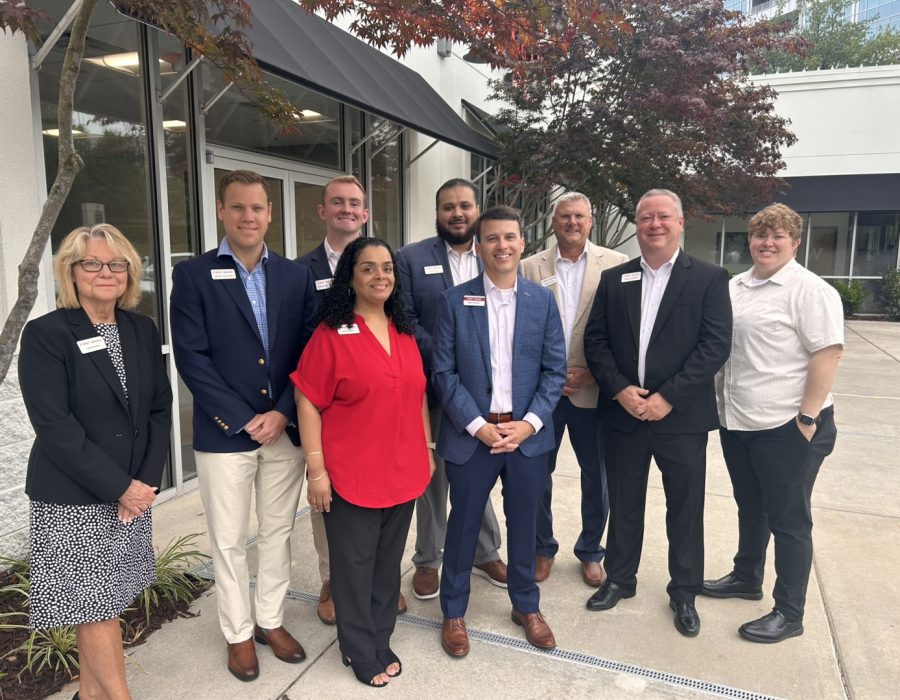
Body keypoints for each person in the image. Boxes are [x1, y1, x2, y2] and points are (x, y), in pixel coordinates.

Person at [170, 169, 317, 681]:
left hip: (284, 427)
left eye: (257, 207)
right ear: (221, 211)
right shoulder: (192, 276)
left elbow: (308, 352)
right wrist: (242, 419)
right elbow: (192, 358)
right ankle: (237, 633)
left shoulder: (295, 276)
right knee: (229, 540)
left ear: (270, 213)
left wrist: (280, 410)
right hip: (223, 433)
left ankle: (270, 621)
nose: (248, 216)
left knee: (278, 532)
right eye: (237, 207)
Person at [19, 224, 171, 700]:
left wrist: (144, 483)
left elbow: (159, 410)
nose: (105, 272)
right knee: (96, 609)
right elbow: (55, 426)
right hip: (74, 498)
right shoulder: (46, 334)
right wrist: (120, 486)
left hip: (131, 496)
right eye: (92, 263)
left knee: (105, 603)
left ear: (130, 272)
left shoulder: (141, 329)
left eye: (117, 264)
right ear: (71, 271)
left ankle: (91, 693)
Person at [583, 189, 732, 637]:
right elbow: (596, 342)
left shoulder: (708, 278)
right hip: (624, 415)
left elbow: (715, 346)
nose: (654, 225)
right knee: (625, 504)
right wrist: (620, 390)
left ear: (680, 222)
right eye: (646, 217)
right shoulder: (615, 279)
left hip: (680, 419)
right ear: (636, 225)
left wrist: (668, 397)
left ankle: (684, 592)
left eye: (663, 217)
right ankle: (620, 579)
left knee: (684, 509)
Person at [292, 237, 433, 687]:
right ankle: (357, 648)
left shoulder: (404, 330)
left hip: (403, 468)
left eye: (387, 268)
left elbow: (418, 396)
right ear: (350, 277)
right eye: (368, 268)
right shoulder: (330, 334)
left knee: (387, 564)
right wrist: (316, 471)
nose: (380, 276)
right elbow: (307, 399)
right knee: (353, 567)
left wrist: (427, 451)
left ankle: (380, 636)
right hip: (350, 474)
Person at [703, 203, 843, 644]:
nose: (766, 243)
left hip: (787, 425)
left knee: (789, 520)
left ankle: (789, 611)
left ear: (794, 242)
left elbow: (827, 353)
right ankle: (747, 577)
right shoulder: (737, 287)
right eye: (760, 235)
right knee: (752, 506)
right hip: (739, 422)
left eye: (777, 236)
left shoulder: (809, 290)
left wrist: (806, 417)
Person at [432, 206, 566, 657]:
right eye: (492, 238)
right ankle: (453, 611)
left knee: (525, 526)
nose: (502, 246)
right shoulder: (454, 301)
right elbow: (444, 373)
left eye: (510, 237)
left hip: (527, 439)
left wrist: (528, 425)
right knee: (463, 526)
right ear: (479, 245)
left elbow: (554, 371)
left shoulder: (542, 301)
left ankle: (526, 605)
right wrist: (477, 426)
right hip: (472, 437)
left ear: (522, 243)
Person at [297, 174, 407, 623]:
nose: (347, 209)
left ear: (365, 213)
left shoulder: (383, 262)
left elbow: (401, 321)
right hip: (324, 403)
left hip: (374, 407)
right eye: (337, 202)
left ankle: (380, 580)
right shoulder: (299, 270)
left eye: (355, 203)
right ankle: (332, 578)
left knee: (379, 503)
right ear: (322, 211)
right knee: (332, 508)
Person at [397, 178, 507, 601]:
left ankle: (485, 551)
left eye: (464, 206)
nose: (457, 213)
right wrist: (449, 355)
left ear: (476, 210)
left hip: (484, 391)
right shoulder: (410, 258)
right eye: (448, 207)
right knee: (432, 478)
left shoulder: (496, 254)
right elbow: (405, 318)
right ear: (437, 213)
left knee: (475, 472)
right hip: (430, 389)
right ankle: (428, 559)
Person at [521, 192, 628, 586]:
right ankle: (541, 547)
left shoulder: (616, 265)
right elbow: (520, 331)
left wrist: (595, 374)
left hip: (592, 390)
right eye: (564, 216)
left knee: (595, 474)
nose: (571, 222)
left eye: (579, 216)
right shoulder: (529, 267)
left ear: (591, 220)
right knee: (537, 474)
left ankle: (590, 550)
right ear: (553, 221)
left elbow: (623, 331)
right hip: (541, 394)